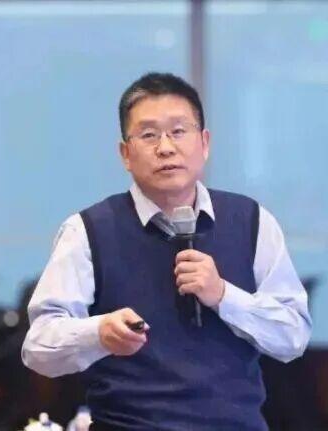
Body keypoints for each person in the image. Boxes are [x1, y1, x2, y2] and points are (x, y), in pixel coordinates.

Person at [21, 72, 311, 430]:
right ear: (125, 154)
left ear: (204, 143)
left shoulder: (252, 220)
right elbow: (37, 348)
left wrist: (223, 295)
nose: (165, 147)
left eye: (178, 131)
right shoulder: (87, 231)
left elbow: (293, 336)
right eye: (148, 135)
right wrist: (98, 333)